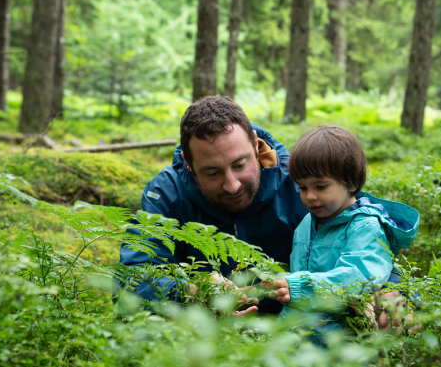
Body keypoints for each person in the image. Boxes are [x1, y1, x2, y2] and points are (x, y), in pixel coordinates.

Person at [119, 96, 413, 320]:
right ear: (188, 164)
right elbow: (132, 280)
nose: (231, 184)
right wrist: (194, 292)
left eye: (239, 164)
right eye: (212, 172)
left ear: (257, 148)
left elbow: (365, 230)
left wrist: (392, 291)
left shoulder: (299, 181)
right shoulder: (166, 195)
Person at [263, 125, 419, 334]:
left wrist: (299, 287)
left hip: (342, 339)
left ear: (351, 182)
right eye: (303, 187)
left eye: (320, 187)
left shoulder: (365, 226)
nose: (309, 196)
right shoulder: (305, 225)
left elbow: (358, 278)